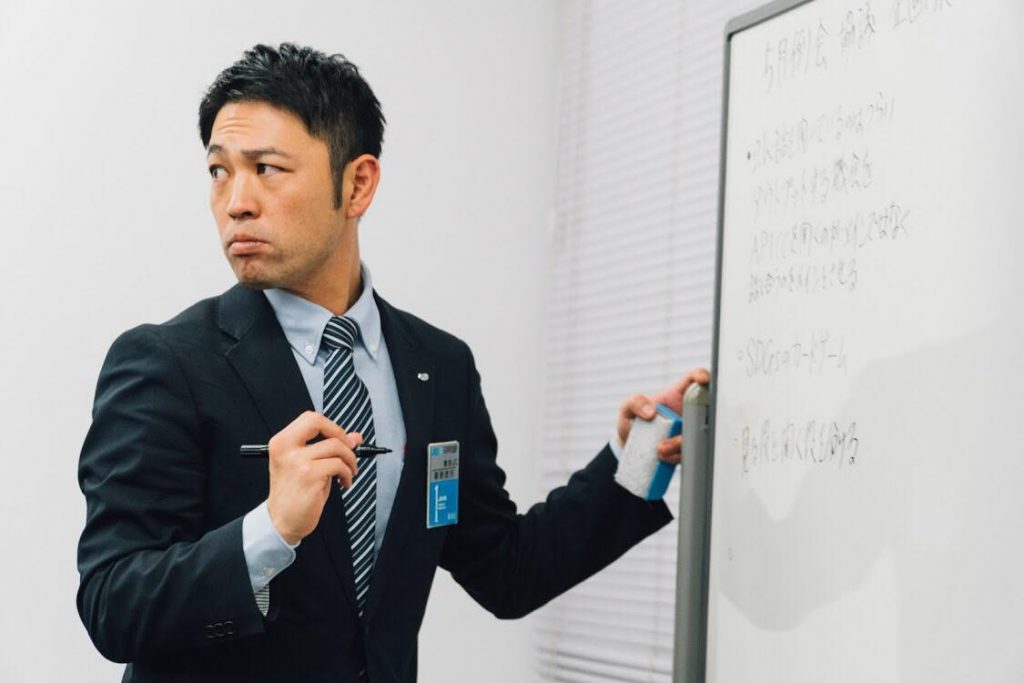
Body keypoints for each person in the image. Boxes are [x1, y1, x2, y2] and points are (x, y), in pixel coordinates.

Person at [76, 43, 710, 683]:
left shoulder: (439, 366)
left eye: (266, 168)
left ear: (357, 184)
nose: (236, 201)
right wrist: (270, 530)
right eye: (219, 171)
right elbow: (113, 606)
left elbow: (506, 570)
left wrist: (636, 459)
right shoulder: (167, 363)